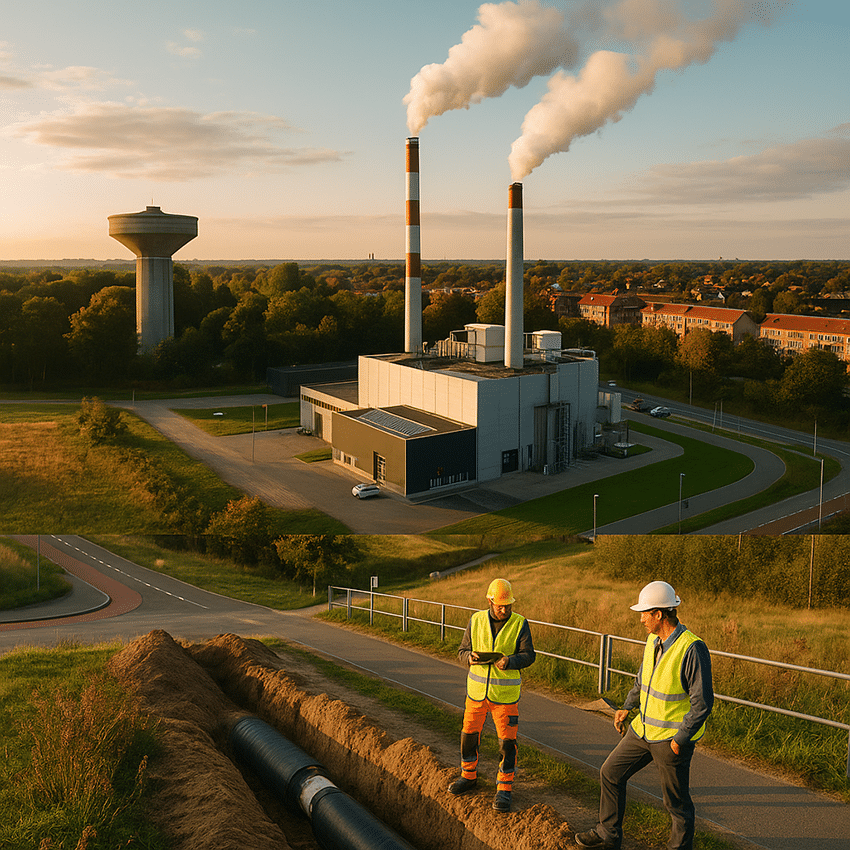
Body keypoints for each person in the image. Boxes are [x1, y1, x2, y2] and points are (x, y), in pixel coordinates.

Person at [575, 581, 714, 850]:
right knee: (610, 773)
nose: (641, 619)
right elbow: (643, 680)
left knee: (676, 803)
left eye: (645, 613)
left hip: (670, 740)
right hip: (641, 731)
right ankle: (608, 833)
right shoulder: (653, 640)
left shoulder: (692, 649)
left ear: (660, 614)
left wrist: (679, 740)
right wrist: (627, 707)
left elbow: (702, 703)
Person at [448, 578, 536, 813]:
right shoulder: (475, 620)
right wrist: (469, 657)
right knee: (468, 736)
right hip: (476, 695)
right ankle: (468, 776)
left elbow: (529, 655)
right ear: (489, 601)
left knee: (507, 744)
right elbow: (461, 651)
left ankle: (504, 790)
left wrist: (510, 661)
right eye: (500, 605)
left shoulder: (520, 624)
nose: (505, 609)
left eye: (508, 605)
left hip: (505, 698)